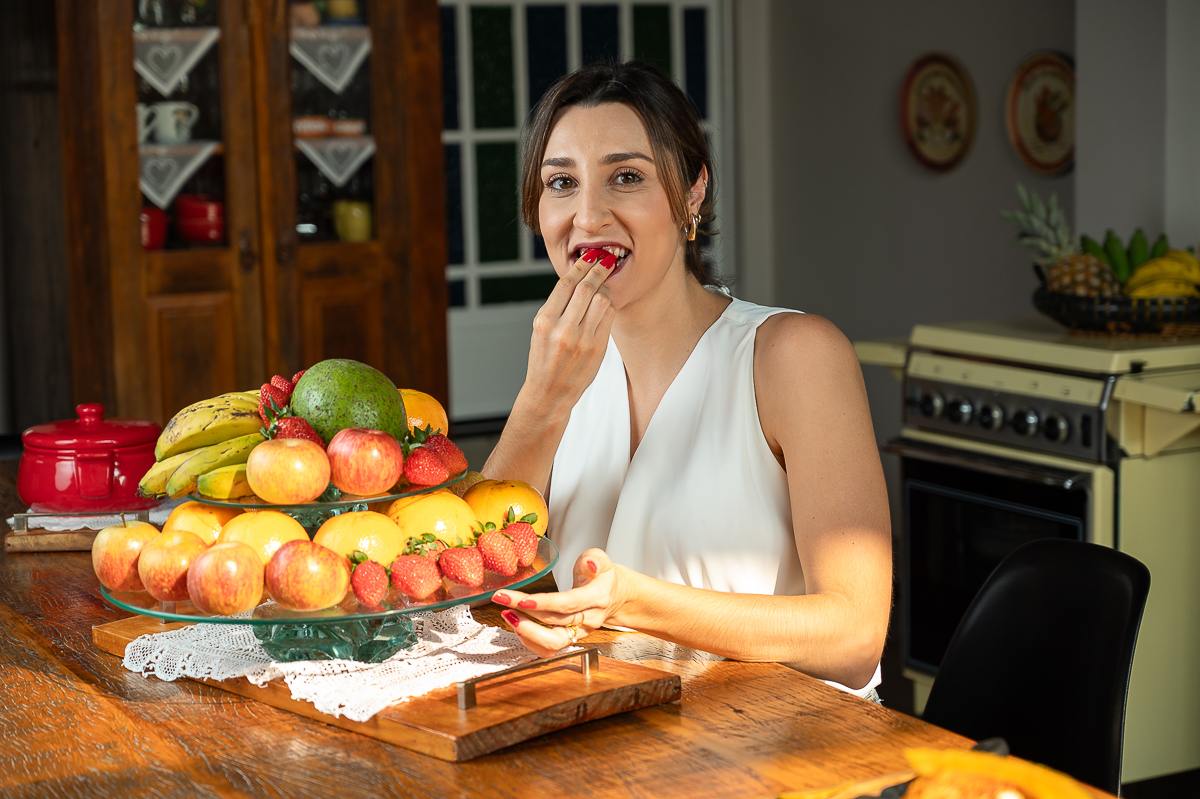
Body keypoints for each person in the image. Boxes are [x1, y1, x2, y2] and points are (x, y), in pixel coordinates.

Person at [484, 60, 891, 696]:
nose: (587, 217)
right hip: (612, 740)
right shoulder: (565, 370)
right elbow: (472, 580)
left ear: (693, 190)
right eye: (561, 183)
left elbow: (854, 639)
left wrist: (629, 605)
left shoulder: (794, 355)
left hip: (780, 759)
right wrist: (542, 399)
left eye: (625, 177)